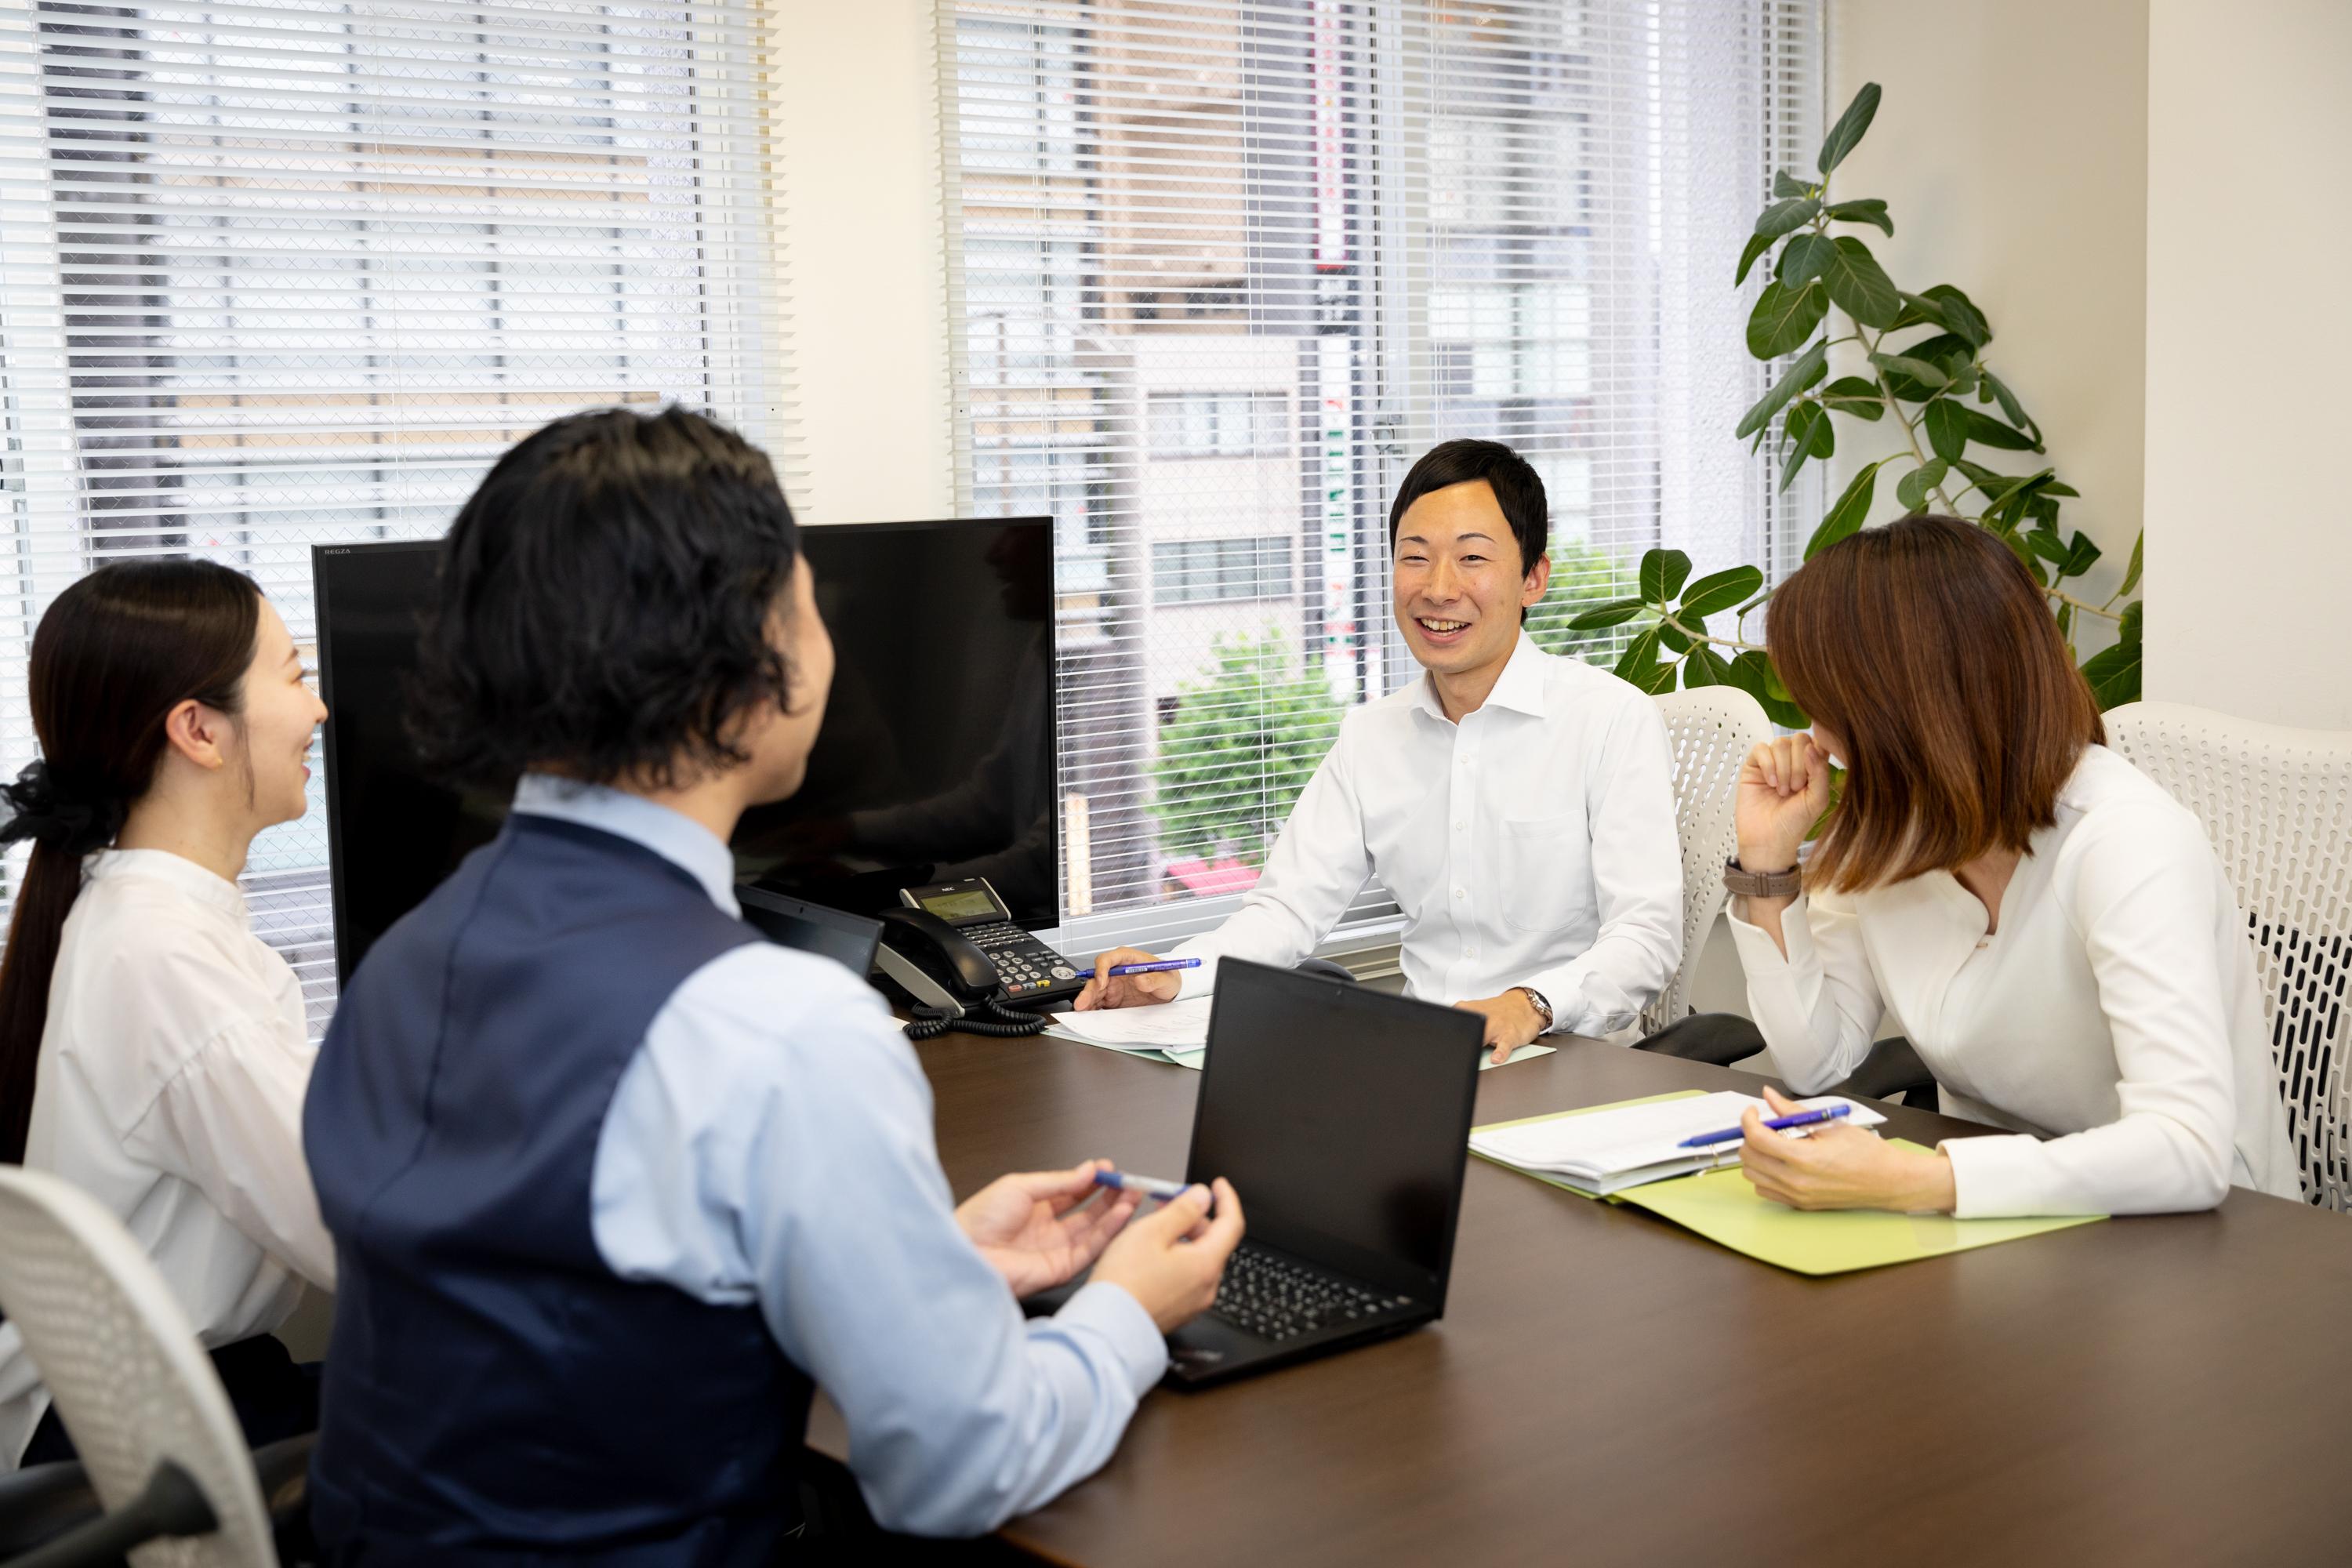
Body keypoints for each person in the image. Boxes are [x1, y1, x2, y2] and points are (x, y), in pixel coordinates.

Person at [301, 407, 1244, 1559]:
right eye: (802, 600)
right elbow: (960, 1466)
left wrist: (920, 1262)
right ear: (744, 668)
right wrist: (1125, 1313)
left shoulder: (407, 959)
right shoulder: (781, 1031)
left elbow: (569, 1302)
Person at [1723, 514, 2298, 1217]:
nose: (1820, 742)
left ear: (1913, 706)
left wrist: (1918, 1181)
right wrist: (1767, 863)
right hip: (2006, 1231)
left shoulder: (2125, 840)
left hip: (2209, 1243)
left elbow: (2187, 1148)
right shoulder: (1893, 835)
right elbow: (1818, 1062)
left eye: (1833, 710)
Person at [1076, 437, 1682, 1062]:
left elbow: (1647, 937)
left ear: (1533, 578)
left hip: (1572, 1062)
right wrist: (1176, 973)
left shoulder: (1609, 720)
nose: (1439, 588)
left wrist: (1531, 1003)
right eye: (1415, 558)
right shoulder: (1372, 736)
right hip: (1418, 1063)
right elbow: (1287, 908)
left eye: (1472, 558)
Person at [0, 560, 335, 1471]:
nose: (318, 712)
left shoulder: (147, 922)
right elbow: (352, 1220)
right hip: (150, 1442)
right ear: (198, 728)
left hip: (157, 1407)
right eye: (296, 677)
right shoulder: (163, 956)